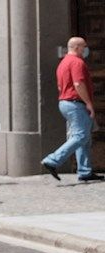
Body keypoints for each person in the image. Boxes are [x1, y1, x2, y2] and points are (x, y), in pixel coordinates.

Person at [41, 36, 102, 181]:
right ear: (76, 47)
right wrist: (88, 103)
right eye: (84, 46)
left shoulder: (63, 63)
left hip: (66, 102)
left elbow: (61, 85)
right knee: (81, 136)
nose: (86, 49)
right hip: (76, 103)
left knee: (84, 137)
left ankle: (85, 171)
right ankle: (52, 160)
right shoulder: (76, 62)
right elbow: (78, 84)